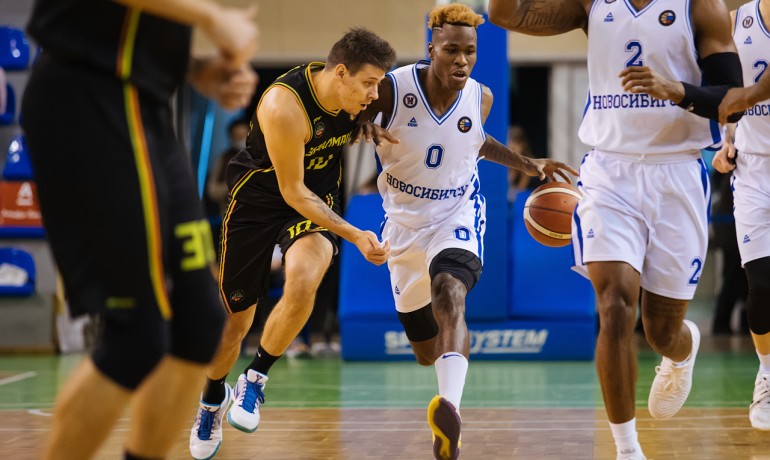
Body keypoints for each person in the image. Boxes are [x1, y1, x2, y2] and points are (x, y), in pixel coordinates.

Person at [489, 0, 744, 458]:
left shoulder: (700, 5)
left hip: (677, 175)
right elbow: (506, 14)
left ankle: (682, 349)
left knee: (660, 331)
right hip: (610, 174)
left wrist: (677, 91)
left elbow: (734, 100)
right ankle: (627, 450)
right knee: (614, 306)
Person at [20, 0, 258, 459]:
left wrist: (193, 70)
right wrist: (210, 17)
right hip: (90, 97)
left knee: (199, 323)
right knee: (137, 333)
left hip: (143, 104)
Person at [355, 5, 576, 459]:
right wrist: (358, 123)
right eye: (451, 50)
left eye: (470, 52)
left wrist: (527, 163)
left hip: (456, 213)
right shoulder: (392, 89)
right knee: (425, 351)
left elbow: (475, 140)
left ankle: (450, 410)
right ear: (431, 48)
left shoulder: (481, 97)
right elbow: (347, 116)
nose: (462, 60)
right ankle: (444, 388)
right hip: (402, 225)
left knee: (450, 291)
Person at [188, 28, 396, 459]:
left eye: (378, 84)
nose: (375, 94)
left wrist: (367, 123)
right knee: (235, 324)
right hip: (259, 205)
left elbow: (310, 194)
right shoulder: (284, 105)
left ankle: (255, 379)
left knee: (304, 278)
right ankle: (211, 400)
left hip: (314, 202)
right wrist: (356, 234)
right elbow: (292, 192)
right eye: (369, 83)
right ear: (341, 73)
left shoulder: (359, 98)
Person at [712, 0, 770, 429]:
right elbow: (719, 92)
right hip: (753, 170)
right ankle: (766, 375)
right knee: (762, 285)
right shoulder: (735, 22)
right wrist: (723, 140)